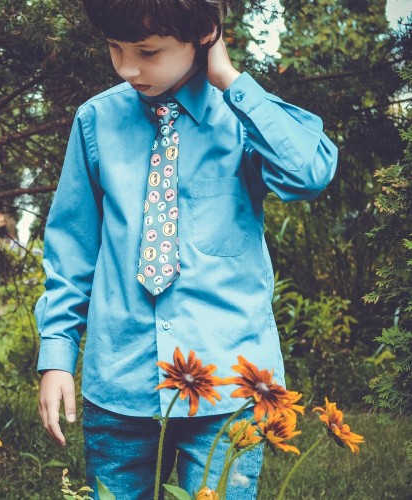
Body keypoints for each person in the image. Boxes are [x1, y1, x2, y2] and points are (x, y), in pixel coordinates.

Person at [35, 0, 338, 498]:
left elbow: (309, 173)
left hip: (228, 390)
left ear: (204, 33)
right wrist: (57, 355)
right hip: (120, 389)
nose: (127, 67)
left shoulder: (241, 120)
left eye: (147, 51)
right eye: (114, 48)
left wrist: (226, 77)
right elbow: (72, 254)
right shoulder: (96, 123)